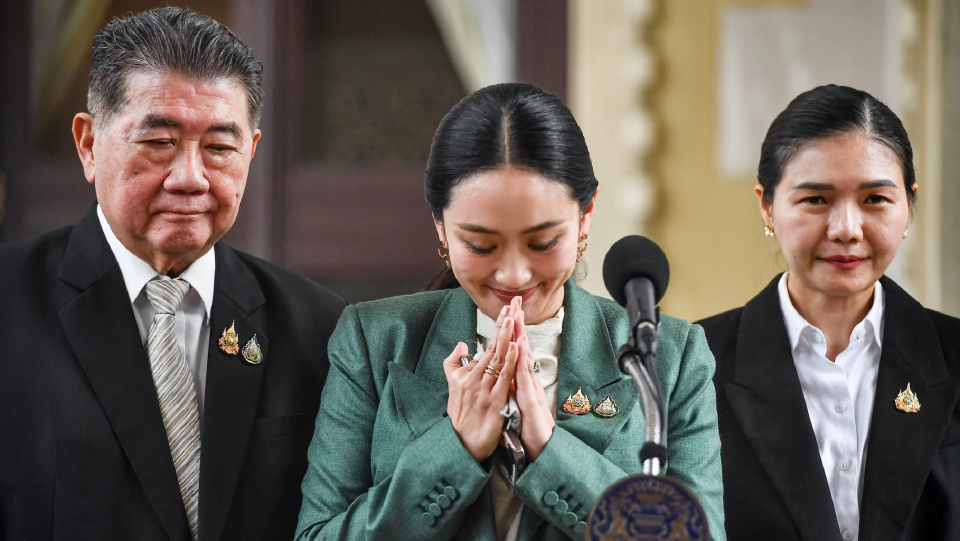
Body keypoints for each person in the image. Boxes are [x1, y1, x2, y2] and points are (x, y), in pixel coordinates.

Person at [296, 83, 725, 541]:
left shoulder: (672, 358)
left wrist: (550, 451)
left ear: (586, 214)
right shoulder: (373, 340)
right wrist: (454, 449)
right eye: (480, 245)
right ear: (440, 225)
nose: (515, 275)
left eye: (543, 242)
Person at [0, 8, 346, 541]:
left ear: (251, 152)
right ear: (88, 143)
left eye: (219, 148)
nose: (191, 178)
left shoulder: (320, 329)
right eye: (159, 143)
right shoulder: (10, 304)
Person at [698, 84, 960, 541]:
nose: (845, 230)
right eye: (816, 200)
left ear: (909, 204)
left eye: (874, 199)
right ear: (767, 206)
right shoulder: (692, 364)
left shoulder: (955, 355)